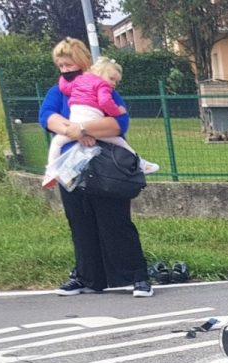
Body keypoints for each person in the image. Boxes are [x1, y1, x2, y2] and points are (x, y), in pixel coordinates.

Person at [39, 38, 153, 297]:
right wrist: (75, 131)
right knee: (80, 223)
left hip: (105, 166)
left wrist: (82, 129)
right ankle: (87, 277)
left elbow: (118, 124)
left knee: (116, 222)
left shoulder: (102, 86)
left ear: (82, 62)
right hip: (71, 167)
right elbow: (47, 116)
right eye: (60, 65)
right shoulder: (57, 92)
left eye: (69, 64)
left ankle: (137, 277)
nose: (65, 69)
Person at [42, 56, 158, 189]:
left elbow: (64, 87)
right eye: (112, 79)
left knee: (56, 142)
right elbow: (105, 103)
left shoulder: (79, 81)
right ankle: (141, 163)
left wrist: (78, 131)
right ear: (101, 74)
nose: (114, 84)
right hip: (93, 124)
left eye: (116, 81)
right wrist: (117, 111)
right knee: (119, 142)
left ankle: (51, 171)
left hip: (75, 123)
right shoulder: (102, 85)